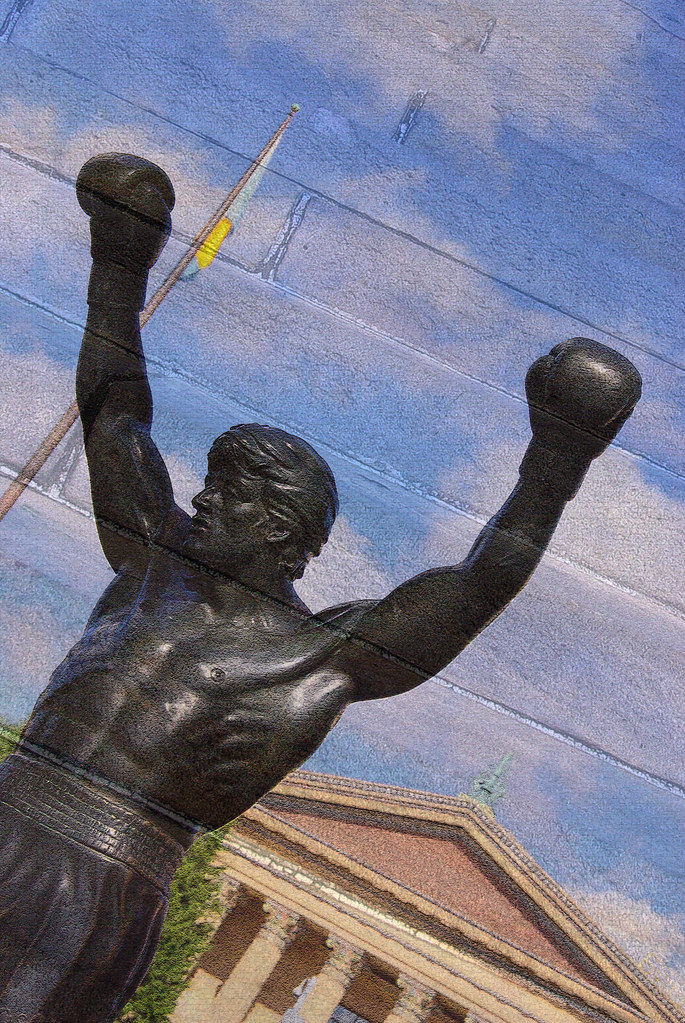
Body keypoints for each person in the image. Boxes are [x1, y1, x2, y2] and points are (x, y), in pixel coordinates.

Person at [0, 154, 642, 1023]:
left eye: (227, 493)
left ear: (277, 529)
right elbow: (115, 414)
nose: (200, 497)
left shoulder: (321, 657)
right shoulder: (156, 560)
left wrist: (558, 454)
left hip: (102, 880)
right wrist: (119, 262)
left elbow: (480, 579)